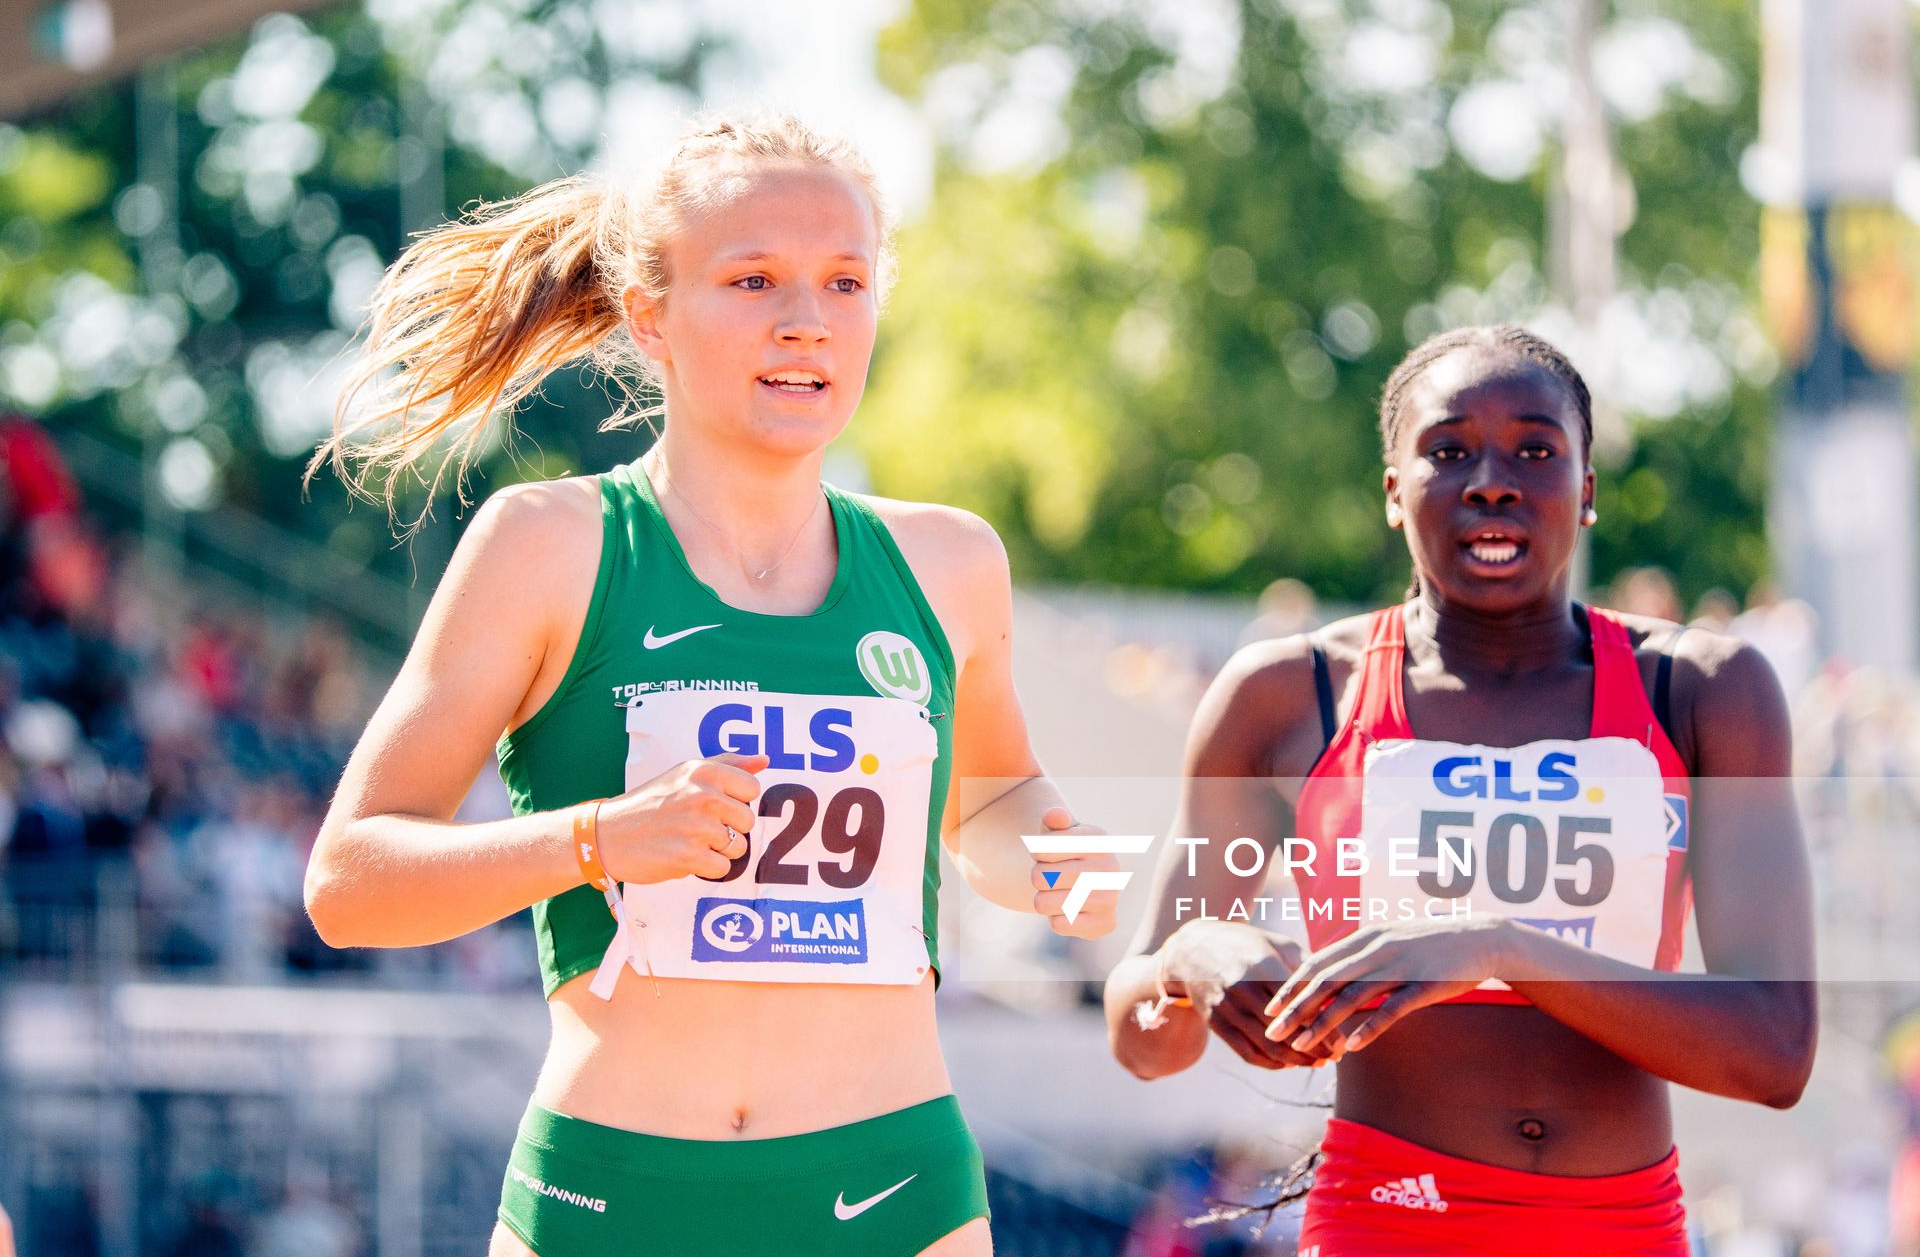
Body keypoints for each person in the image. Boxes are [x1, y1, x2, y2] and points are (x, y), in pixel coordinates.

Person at [303, 114, 1121, 1257]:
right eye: (754, 279)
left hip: (895, 1188)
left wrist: (1051, 858)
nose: (807, 319)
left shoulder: (950, 561)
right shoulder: (549, 542)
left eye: (845, 281)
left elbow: (988, 798)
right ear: (651, 318)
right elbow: (351, 881)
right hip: (610, 1194)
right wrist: (599, 838)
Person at [1105, 324, 1817, 1254]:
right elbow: (1141, 1038)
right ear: (1394, 490)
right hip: (1383, 1222)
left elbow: (1775, 1051)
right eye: (1448, 451)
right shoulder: (1285, 696)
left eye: (1536, 449)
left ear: (1587, 490)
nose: (1491, 480)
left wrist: (1496, 944)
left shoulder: (1706, 690)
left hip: (1624, 1229)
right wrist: (1190, 956)